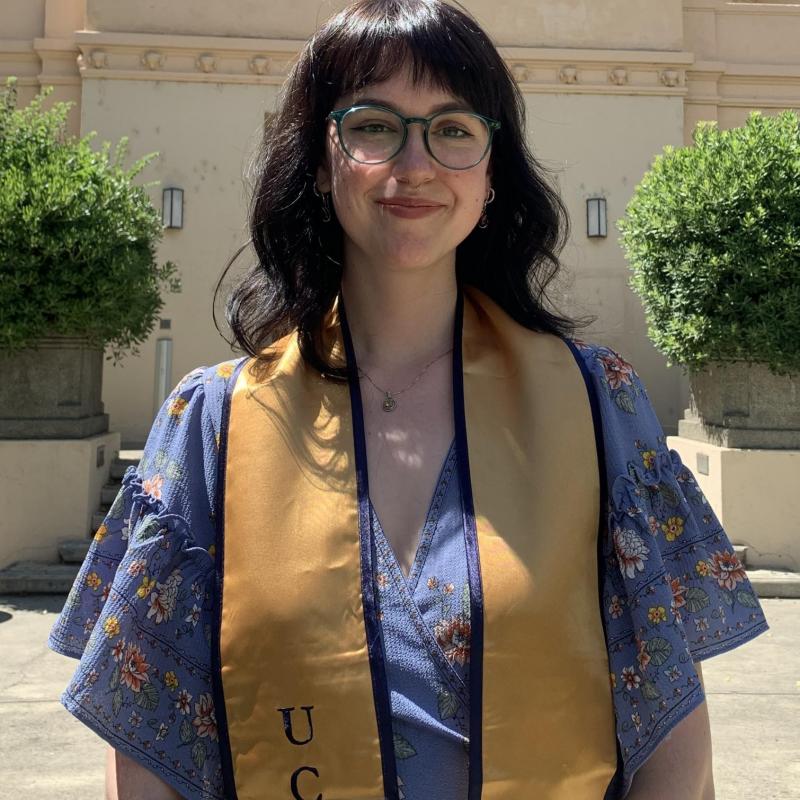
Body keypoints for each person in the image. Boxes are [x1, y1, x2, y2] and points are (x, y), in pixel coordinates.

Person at [47, 1, 769, 798]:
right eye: (375, 125)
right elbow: (146, 740)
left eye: (454, 128)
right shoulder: (215, 423)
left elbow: (672, 738)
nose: (416, 163)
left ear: (492, 173)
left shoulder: (598, 405)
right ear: (321, 162)